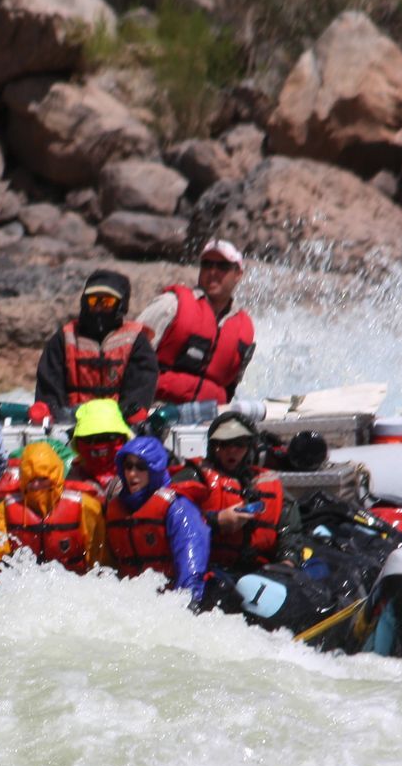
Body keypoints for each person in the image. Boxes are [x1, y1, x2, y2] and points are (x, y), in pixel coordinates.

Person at [169, 409, 301, 574]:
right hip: (208, 570)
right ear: (213, 447)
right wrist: (214, 522)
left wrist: (287, 561)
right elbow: (166, 518)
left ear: (250, 448)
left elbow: (291, 532)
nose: (231, 451)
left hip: (260, 574)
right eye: (224, 444)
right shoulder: (193, 476)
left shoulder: (268, 483)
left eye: (239, 444)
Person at [136, 238, 257, 405]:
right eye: (207, 264)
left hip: (208, 417)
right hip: (156, 410)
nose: (213, 271)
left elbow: (232, 385)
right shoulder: (170, 305)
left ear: (238, 274)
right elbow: (127, 356)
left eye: (222, 266)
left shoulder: (244, 327)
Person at [33, 269, 160, 427]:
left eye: (107, 303)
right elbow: (49, 390)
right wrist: (57, 418)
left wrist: (124, 418)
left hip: (118, 425)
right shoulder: (63, 338)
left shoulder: (136, 341)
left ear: (121, 305)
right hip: (71, 426)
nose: (99, 308)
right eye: (94, 302)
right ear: (85, 303)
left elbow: (140, 387)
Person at [0, 442, 103, 580]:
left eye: (43, 479)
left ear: (56, 477)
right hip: (25, 587)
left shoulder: (85, 506)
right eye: (30, 480)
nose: (36, 485)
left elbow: (101, 557)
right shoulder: (4, 511)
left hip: (73, 586)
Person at [101, 436, 210, 604]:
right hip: (132, 601)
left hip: (170, 600)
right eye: (128, 466)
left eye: (141, 467)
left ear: (155, 470)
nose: (132, 473)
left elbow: (191, 566)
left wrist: (188, 603)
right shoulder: (115, 507)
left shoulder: (178, 507)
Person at [64, 397, 133, 496]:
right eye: (89, 438)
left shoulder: (138, 469)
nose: (99, 443)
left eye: (109, 436)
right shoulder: (72, 473)